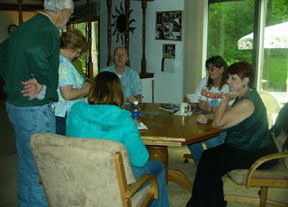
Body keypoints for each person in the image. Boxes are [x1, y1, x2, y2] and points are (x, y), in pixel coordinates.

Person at [0, 0, 74, 206]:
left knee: (27, 163)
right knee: (40, 166)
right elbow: (35, 51)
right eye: (69, 15)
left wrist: (16, 77)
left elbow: (2, 53)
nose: (68, 19)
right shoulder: (48, 29)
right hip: (35, 109)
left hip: (16, 105)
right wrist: (40, 79)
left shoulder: (24, 27)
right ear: (62, 12)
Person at [66, 71, 169, 207]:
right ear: (119, 93)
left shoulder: (75, 111)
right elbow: (140, 160)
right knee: (158, 166)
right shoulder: (124, 119)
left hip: (81, 173)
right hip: (114, 177)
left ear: (92, 90)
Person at [186, 61, 278, 207]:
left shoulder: (246, 103)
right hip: (247, 146)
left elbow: (218, 124)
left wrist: (225, 98)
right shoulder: (246, 95)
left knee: (210, 162)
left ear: (245, 81)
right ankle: (211, 203)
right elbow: (228, 114)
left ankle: (203, 204)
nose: (228, 81)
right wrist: (209, 116)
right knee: (208, 156)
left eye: (233, 78)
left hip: (258, 153)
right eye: (228, 78)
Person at [184, 56, 232, 165]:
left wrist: (210, 108)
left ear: (222, 69)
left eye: (212, 69)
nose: (209, 72)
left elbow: (229, 110)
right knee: (191, 139)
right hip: (203, 119)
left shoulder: (229, 85)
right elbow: (198, 101)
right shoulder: (204, 81)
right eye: (208, 69)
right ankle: (202, 165)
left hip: (221, 122)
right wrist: (192, 102)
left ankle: (217, 166)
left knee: (212, 140)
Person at [54, 29, 90, 135]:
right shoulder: (64, 64)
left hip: (58, 113)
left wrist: (80, 86)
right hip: (64, 115)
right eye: (78, 53)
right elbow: (68, 95)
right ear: (70, 47)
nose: (77, 56)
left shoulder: (55, 58)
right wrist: (87, 90)